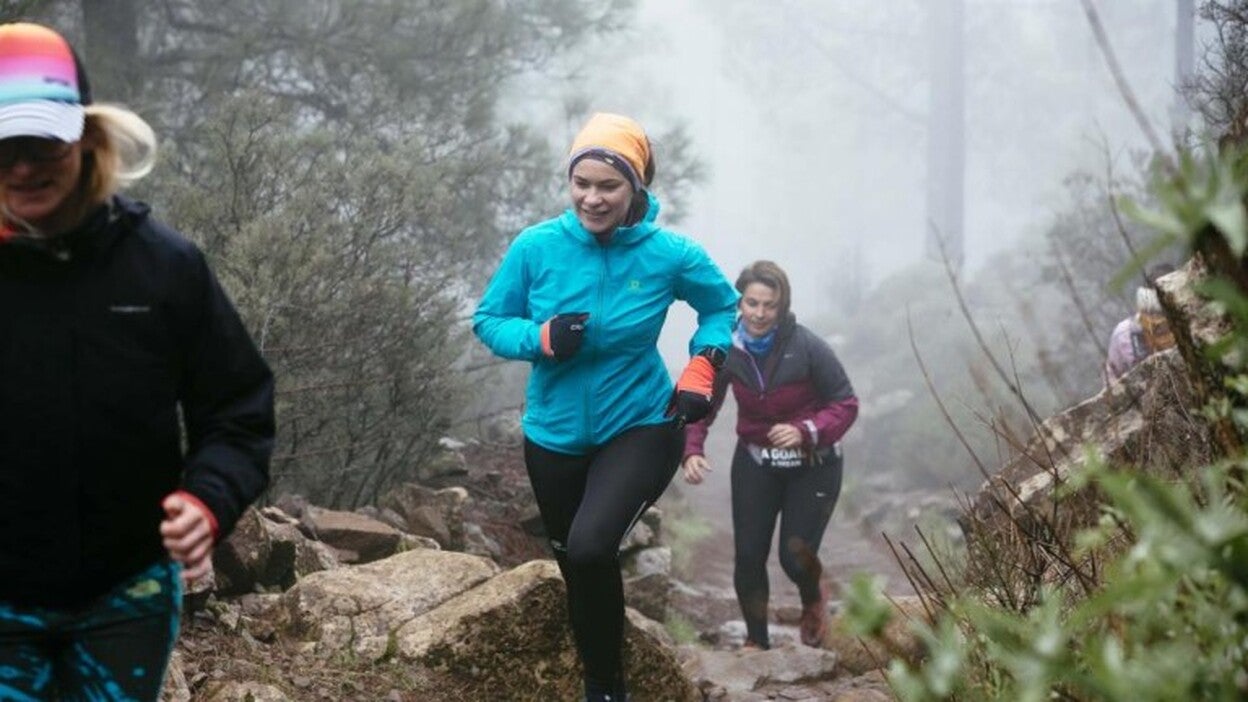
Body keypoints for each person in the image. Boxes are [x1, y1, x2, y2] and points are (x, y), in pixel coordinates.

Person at [0, 22, 275, 701]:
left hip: (128, 596)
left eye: (41, 142)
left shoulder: (164, 266)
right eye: (2, 148)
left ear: (89, 136)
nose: (23, 167)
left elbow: (237, 409)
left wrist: (207, 499)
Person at [474, 112, 738, 702]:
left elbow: (723, 307)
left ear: (636, 190)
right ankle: (602, 667)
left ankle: (605, 689)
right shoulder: (537, 246)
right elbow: (489, 320)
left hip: (642, 424)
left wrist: (701, 366)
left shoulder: (670, 253)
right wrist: (539, 339)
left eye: (608, 186)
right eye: (581, 183)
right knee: (578, 566)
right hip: (553, 433)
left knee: (593, 545)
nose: (592, 198)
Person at [681, 260, 858, 651]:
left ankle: (813, 599)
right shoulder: (724, 346)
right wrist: (692, 449)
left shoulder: (807, 347)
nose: (759, 314)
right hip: (756, 463)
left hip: (814, 466)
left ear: (782, 306)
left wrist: (805, 431)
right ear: (739, 303)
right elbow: (701, 403)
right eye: (752, 303)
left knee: (794, 559)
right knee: (748, 557)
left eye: (769, 305)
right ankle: (757, 643)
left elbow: (845, 404)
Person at [1104, 262, 1177, 383]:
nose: (1155, 320)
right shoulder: (1124, 336)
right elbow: (1112, 383)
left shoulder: (1195, 322)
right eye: (1150, 313)